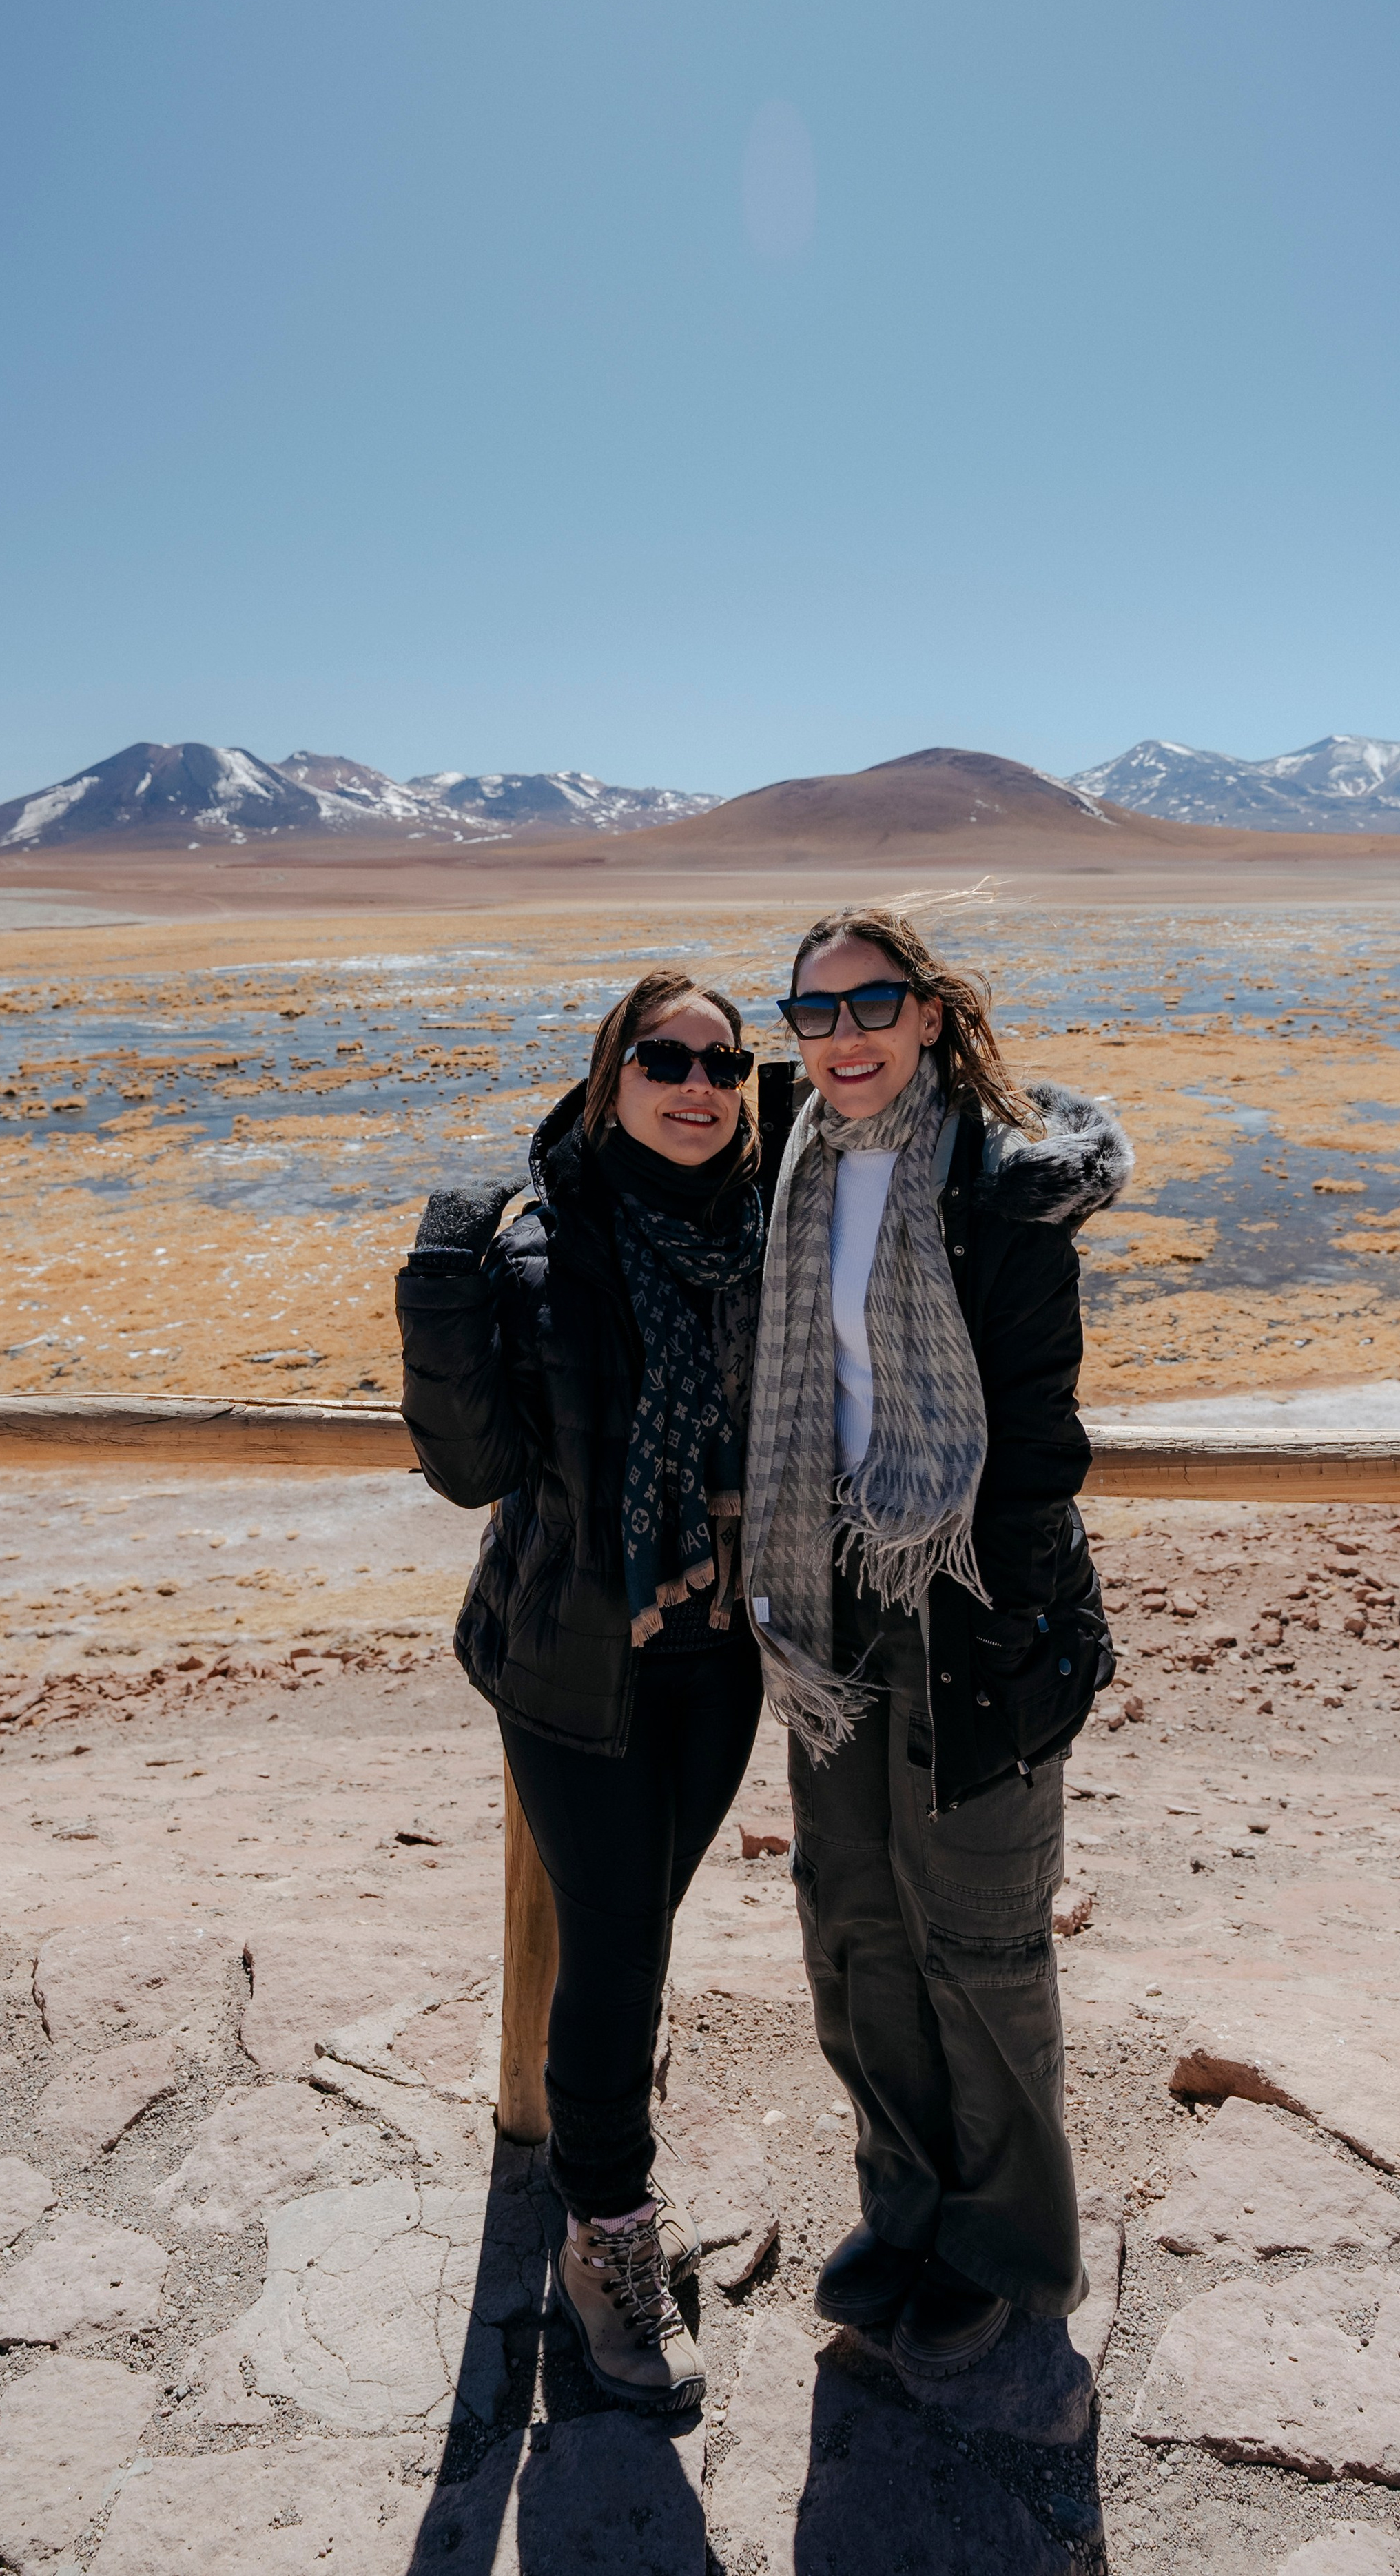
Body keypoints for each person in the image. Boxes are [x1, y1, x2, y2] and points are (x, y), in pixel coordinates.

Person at [744, 905, 1131, 2380]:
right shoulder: (787, 1170)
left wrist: (1011, 1610)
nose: (840, 1039)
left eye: (869, 1007)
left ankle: (1007, 2249)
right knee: (852, 1925)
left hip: (972, 1602)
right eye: (812, 1014)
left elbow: (1037, 1435)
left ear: (926, 1016)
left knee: (978, 1939)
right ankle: (901, 2208)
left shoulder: (996, 1185)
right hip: (824, 1591)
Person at [395, 971, 768, 2413]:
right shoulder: (539, 1245)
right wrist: (442, 1269)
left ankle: (601, 2170)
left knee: (640, 1932)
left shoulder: (765, 1233)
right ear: (608, 1075)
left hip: (724, 1656)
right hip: (570, 1672)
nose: (697, 1085)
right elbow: (469, 1471)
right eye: (663, 1058)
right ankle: (604, 2240)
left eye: (723, 1064)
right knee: (615, 1946)